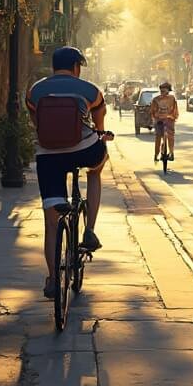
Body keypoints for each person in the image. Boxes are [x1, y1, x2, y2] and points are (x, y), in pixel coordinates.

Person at [26, 46, 110, 300]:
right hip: (84, 150)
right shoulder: (90, 90)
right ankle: (89, 230)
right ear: (76, 67)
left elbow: (36, 122)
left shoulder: (35, 91)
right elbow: (99, 120)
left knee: (51, 222)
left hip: (49, 156)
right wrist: (101, 134)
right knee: (96, 169)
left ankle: (52, 279)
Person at [150, 81, 179, 162]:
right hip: (159, 121)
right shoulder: (156, 99)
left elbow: (175, 110)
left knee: (171, 137)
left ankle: (171, 153)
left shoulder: (172, 98)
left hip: (169, 120)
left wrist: (173, 117)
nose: (163, 91)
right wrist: (155, 118)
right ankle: (156, 154)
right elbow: (152, 111)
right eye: (161, 90)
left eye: (164, 90)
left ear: (168, 90)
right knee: (158, 137)